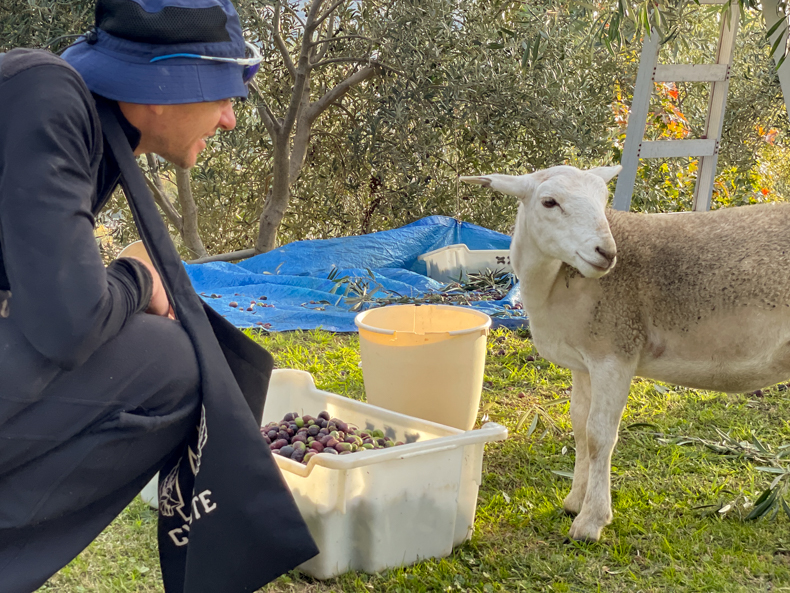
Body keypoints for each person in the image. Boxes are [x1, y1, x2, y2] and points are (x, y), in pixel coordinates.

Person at [0, 1, 316, 591]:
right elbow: (68, 322)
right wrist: (138, 277)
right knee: (172, 362)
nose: (230, 119)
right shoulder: (44, 94)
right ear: (163, 86)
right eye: (225, 93)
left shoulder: (91, 131)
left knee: (168, 355)